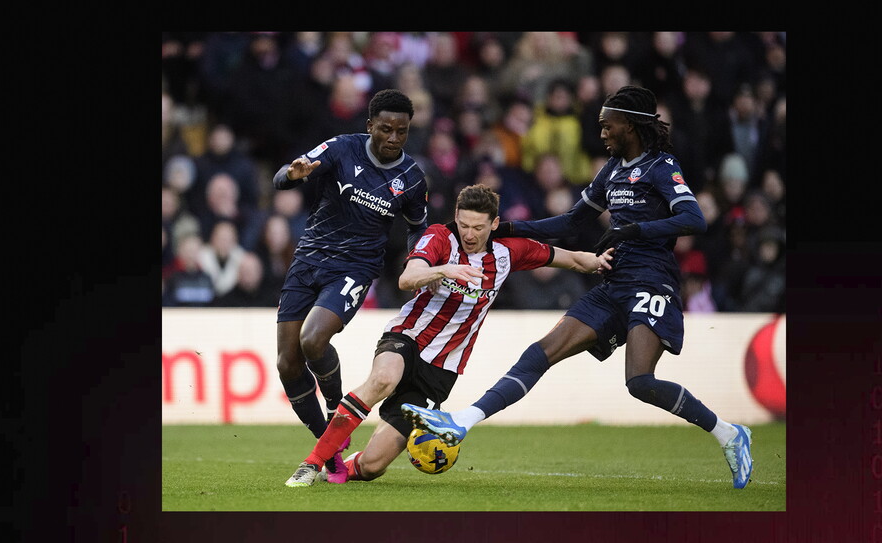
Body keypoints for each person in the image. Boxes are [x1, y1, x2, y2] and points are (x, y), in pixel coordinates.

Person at [402, 85, 754, 489]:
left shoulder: (661, 166)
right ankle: (462, 422)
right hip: (614, 281)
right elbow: (570, 223)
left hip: (652, 281)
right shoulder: (612, 171)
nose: (601, 133)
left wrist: (634, 230)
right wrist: (506, 229)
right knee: (540, 352)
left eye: (608, 126)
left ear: (631, 125)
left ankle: (729, 434)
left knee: (640, 382)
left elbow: (694, 219)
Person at [284, 184, 612, 485]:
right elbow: (407, 278)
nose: (469, 234)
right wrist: (442, 269)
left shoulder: (509, 253)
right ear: (456, 217)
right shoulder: (440, 237)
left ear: (494, 224)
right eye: (464, 224)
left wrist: (600, 261)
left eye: (478, 227)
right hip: (408, 336)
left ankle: (342, 465)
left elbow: (571, 260)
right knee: (383, 379)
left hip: (442, 368)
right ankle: (313, 462)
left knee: (372, 467)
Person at [273, 89, 431, 485]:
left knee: (313, 341)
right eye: (386, 129)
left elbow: (419, 229)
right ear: (369, 127)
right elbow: (283, 178)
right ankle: (329, 449)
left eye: (402, 131)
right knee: (286, 363)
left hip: (355, 267)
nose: (393, 138)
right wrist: (293, 175)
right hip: (308, 258)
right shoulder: (342, 149)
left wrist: (419, 262)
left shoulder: (411, 178)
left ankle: (334, 408)